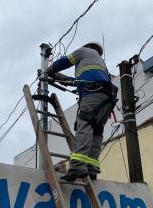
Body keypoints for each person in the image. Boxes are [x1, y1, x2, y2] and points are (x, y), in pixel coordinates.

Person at [47, 41, 117, 181]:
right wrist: (60, 78)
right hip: (107, 96)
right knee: (96, 131)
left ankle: (78, 166)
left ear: (88, 46)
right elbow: (77, 82)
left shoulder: (85, 51)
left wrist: (50, 70)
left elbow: (64, 62)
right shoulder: (99, 64)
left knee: (84, 123)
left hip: (92, 93)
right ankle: (91, 168)